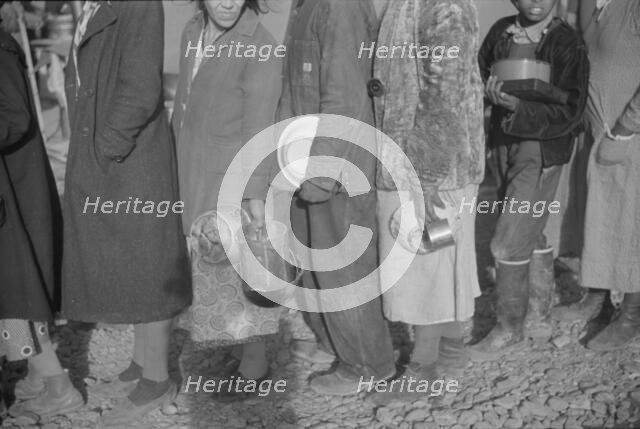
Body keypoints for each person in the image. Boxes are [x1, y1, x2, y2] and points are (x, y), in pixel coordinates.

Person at [61, 1, 192, 425]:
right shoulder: (91, 4)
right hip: (110, 156)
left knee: (148, 264)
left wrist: (106, 147)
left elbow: (139, 87)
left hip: (130, 159)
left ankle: (157, 380)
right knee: (132, 263)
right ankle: (139, 365)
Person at [368, 0, 484, 403]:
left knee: (425, 265)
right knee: (437, 261)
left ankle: (423, 368)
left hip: (428, 168)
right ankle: (450, 353)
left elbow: (444, 93)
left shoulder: (444, 6)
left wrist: (426, 177)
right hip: (415, 163)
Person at [278, 0, 397, 395]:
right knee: (316, 262)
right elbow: (293, 88)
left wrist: (321, 172)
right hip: (305, 158)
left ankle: (368, 363)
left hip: (338, 164)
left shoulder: (339, 7)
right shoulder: (305, 6)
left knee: (344, 267)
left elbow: (344, 99)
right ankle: (335, 345)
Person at [171, 0, 283, 400]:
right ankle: (237, 349)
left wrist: (255, 201)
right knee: (211, 269)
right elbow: (182, 104)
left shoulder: (262, 47)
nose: (226, 2)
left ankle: (255, 367)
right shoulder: (190, 32)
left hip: (230, 180)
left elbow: (260, 129)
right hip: (191, 169)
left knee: (240, 271)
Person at [469, 0, 589, 360]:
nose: (536, 1)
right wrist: (490, 98)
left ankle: (509, 328)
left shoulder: (567, 43)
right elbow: (476, 77)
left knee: (507, 240)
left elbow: (572, 108)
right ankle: (539, 309)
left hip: (542, 149)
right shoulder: (501, 33)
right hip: (504, 142)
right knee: (530, 229)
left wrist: (520, 107)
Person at [0, 0, 83, 418]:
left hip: (10, 195)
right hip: (10, 191)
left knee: (16, 296)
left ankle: (57, 384)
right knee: (14, 292)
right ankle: (36, 375)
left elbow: (13, 117)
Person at [575, 0, 640, 351]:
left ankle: (631, 316)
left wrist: (628, 127)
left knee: (634, 225)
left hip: (630, 136)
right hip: (602, 133)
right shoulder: (595, 4)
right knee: (606, 219)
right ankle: (600, 299)